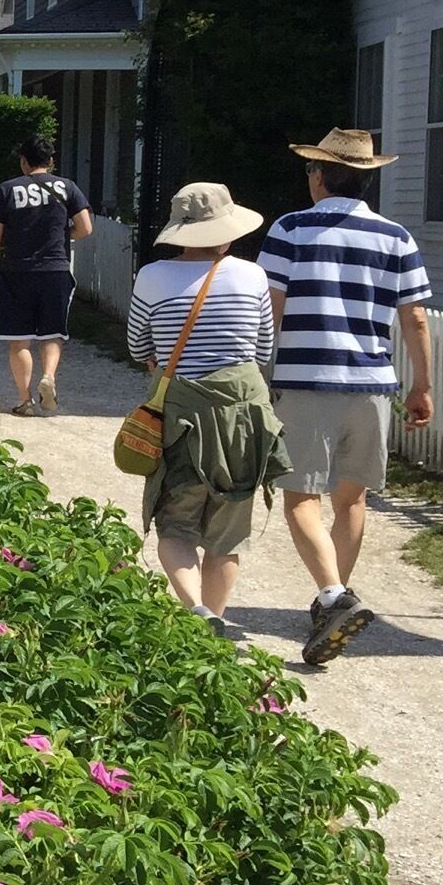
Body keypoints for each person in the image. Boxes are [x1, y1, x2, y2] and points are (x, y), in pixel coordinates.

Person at [256, 128, 434, 666]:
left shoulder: (290, 229)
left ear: (317, 175)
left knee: (300, 497)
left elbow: (271, 308)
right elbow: (416, 317)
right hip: (372, 384)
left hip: (306, 380)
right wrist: (422, 385)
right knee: (352, 499)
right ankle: (335, 597)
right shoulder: (396, 237)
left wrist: (259, 375)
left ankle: (334, 596)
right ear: (366, 179)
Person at [126, 182, 287, 632]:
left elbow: (139, 345)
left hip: (181, 416)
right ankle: (214, 621)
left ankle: (194, 610)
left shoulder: (152, 277)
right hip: (244, 416)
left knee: (175, 525)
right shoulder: (252, 276)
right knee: (228, 531)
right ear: (226, 230)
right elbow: (263, 348)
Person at [0, 135, 93, 415]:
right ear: (50, 161)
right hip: (56, 270)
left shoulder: (7, 190)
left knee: (19, 341)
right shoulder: (67, 187)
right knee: (52, 334)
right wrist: (64, 239)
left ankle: (24, 400)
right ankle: (49, 377)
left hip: (18, 271)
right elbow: (86, 228)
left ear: (23, 162)